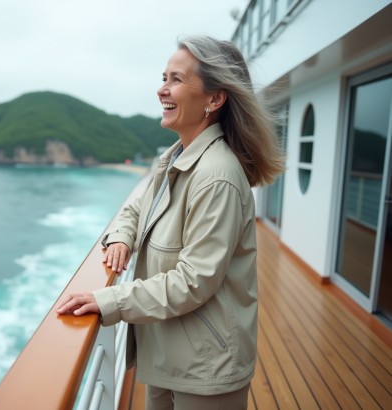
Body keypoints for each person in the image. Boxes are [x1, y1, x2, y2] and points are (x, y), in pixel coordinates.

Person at [57, 35, 285, 409]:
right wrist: (120, 238)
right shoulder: (176, 157)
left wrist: (108, 299)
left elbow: (193, 281)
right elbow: (137, 209)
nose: (162, 89)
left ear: (214, 98)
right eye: (164, 77)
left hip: (207, 366)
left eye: (176, 80)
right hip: (170, 353)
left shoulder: (216, 176)